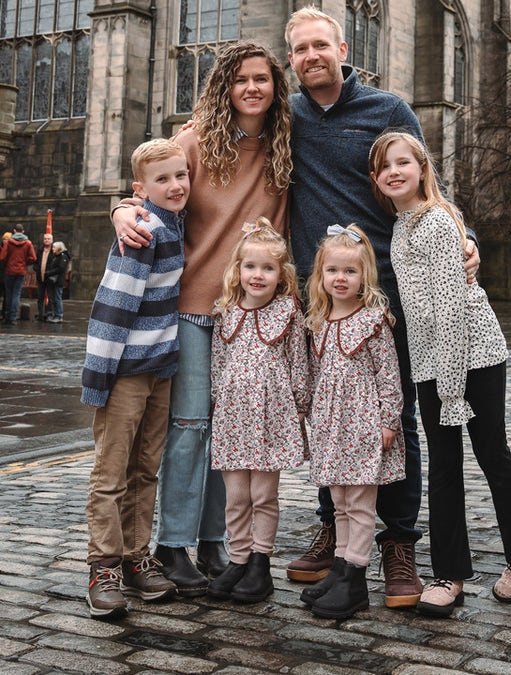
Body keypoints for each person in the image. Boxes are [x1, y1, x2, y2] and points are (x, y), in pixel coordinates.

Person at [279, 6, 479, 608]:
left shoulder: (387, 110)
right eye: (300, 49)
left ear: (342, 48)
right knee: (331, 413)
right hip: (321, 296)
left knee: (398, 421)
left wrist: (462, 236)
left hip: (392, 291)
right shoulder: (285, 117)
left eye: (321, 45)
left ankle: (398, 541)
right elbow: (203, 136)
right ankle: (337, 529)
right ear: (291, 58)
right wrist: (127, 204)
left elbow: (425, 181)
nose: (312, 56)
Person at [111, 40, 293, 595]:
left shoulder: (289, 141)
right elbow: (146, 186)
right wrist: (120, 209)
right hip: (192, 308)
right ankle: (173, 543)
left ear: (275, 86)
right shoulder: (195, 139)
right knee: (190, 427)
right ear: (225, 86)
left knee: (233, 433)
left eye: (261, 78)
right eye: (241, 80)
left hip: (248, 312)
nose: (252, 89)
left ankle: (218, 541)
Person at [371, 132, 511, 617]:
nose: (394, 172)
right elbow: (422, 304)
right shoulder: (402, 224)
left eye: (402, 163)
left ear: (422, 168)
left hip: (472, 356)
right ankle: (449, 575)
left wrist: (452, 391)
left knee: (491, 452)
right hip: (433, 360)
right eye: (384, 166)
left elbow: (452, 310)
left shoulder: (435, 221)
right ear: (376, 179)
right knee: (444, 464)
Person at [80, 138, 189, 618]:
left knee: (146, 470)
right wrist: (97, 380)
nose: (175, 185)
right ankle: (102, 565)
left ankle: (135, 556)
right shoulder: (143, 229)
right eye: (162, 179)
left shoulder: (174, 223)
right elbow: (113, 307)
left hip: (160, 369)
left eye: (180, 175)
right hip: (124, 372)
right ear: (139, 189)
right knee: (111, 472)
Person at [299, 224, 405, 619]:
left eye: (349, 271)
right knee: (340, 501)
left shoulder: (373, 320)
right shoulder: (320, 320)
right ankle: (341, 566)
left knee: (360, 503)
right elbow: (315, 373)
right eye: (332, 271)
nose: (340, 279)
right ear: (320, 275)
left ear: (364, 277)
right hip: (332, 426)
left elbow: (389, 375)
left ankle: (356, 577)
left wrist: (389, 422)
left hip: (363, 426)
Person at [206, 221, 311, 604]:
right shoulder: (227, 312)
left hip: (272, 417)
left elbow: (300, 364)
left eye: (267, 268)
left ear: (281, 275)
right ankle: (237, 558)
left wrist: (301, 408)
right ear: (238, 270)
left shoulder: (287, 312)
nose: (258, 275)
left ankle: (260, 562)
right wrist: (219, 402)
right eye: (250, 266)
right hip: (233, 419)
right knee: (236, 495)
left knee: (263, 495)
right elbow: (219, 363)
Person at [1, 224, 35, 324]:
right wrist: (25, 263)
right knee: (16, 294)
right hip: (21, 271)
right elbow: (33, 258)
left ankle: (7, 315)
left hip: (9, 271)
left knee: (9, 294)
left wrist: (8, 263)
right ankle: (13, 317)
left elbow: (2, 257)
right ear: (23, 231)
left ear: (14, 231)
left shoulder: (8, 242)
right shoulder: (28, 243)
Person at [35, 232, 53, 320]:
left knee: (50, 297)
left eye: (48, 239)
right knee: (40, 297)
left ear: (52, 240)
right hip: (40, 277)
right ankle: (40, 314)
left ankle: (48, 314)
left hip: (49, 278)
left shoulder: (54, 250)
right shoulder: (40, 249)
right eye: (45, 239)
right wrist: (36, 269)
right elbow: (36, 261)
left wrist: (50, 273)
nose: (46, 240)